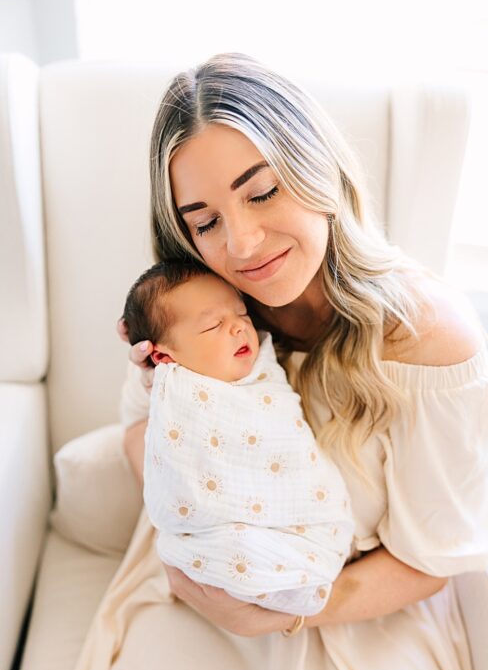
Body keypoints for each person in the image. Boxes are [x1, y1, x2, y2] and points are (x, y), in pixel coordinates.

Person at [43, 53, 488, 670]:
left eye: (261, 192)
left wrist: (287, 616)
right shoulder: (198, 314)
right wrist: (161, 395)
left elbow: (434, 557)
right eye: (204, 222)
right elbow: (154, 473)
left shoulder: (426, 339)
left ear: (315, 167)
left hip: (362, 607)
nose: (242, 244)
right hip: (205, 584)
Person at [122, 261, 354, 617]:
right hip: (227, 539)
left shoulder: (263, 370)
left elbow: (283, 442)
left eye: (241, 313)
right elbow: (176, 478)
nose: (238, 327)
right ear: (165, 357)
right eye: (215, 325)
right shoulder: (176, 391)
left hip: (304, 513)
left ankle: (297, 569)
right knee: (231, 549)